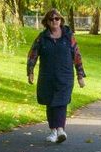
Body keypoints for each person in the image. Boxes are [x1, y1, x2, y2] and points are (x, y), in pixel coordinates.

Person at [26, 9, 86, 143]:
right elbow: (32, 55)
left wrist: (80, 76)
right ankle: (53, 131)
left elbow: (77, 56)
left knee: (61, 101)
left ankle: (60, 130)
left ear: (61, 20)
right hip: (47, 76)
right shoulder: (42, 38)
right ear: (47, 22)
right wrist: (30, 71)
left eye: (57, 19)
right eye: (51, 19)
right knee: (50, 101)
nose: (54, 21)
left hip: (65, 76)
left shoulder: (68, 37)